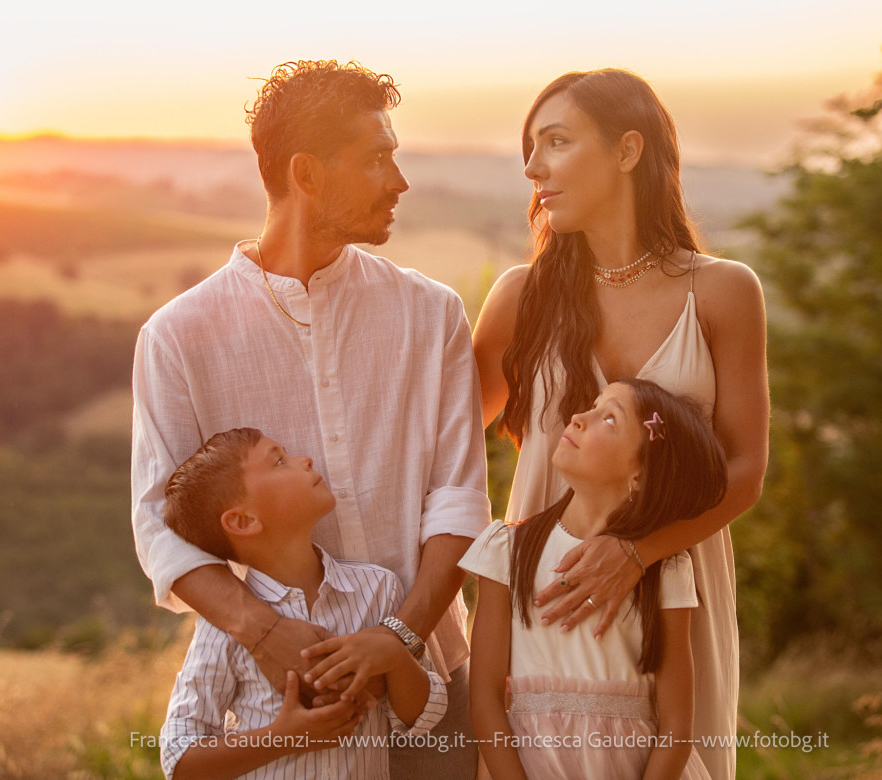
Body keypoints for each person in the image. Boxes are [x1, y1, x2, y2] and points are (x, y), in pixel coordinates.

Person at [131, 60, 489, 779]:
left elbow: (459, 500)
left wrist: (400, 636)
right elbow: (160, 527)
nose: (400, 181)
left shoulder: (432, 314)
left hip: (432, 684)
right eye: (377, 158)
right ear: (306, 173)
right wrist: (263, 633)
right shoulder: (176, 336)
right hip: (281, 702)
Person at [471, 68, 769, 779]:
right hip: (545, 599)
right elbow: (440, 441)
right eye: (530, 146)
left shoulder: (724, 291)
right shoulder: (522, 296)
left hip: (676, 597)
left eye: (556, 141)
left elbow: (746, 470)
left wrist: (640, 553)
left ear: (628, 150)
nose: (532, 166)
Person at [463, 379, 727, 779]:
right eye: (592, 405)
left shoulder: (665, 570)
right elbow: (484, 697)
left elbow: (677, 723)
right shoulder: (507, 550)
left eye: (608, 418)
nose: (578, 417)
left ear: (640, 474)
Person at [159, 428, 448, 779]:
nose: (305, 459)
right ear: (243, 521)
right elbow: (179, 758)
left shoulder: (379, 588)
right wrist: (283, 739)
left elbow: (425, 717)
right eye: (279, 461)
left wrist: (394, 655)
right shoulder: (223, 625)